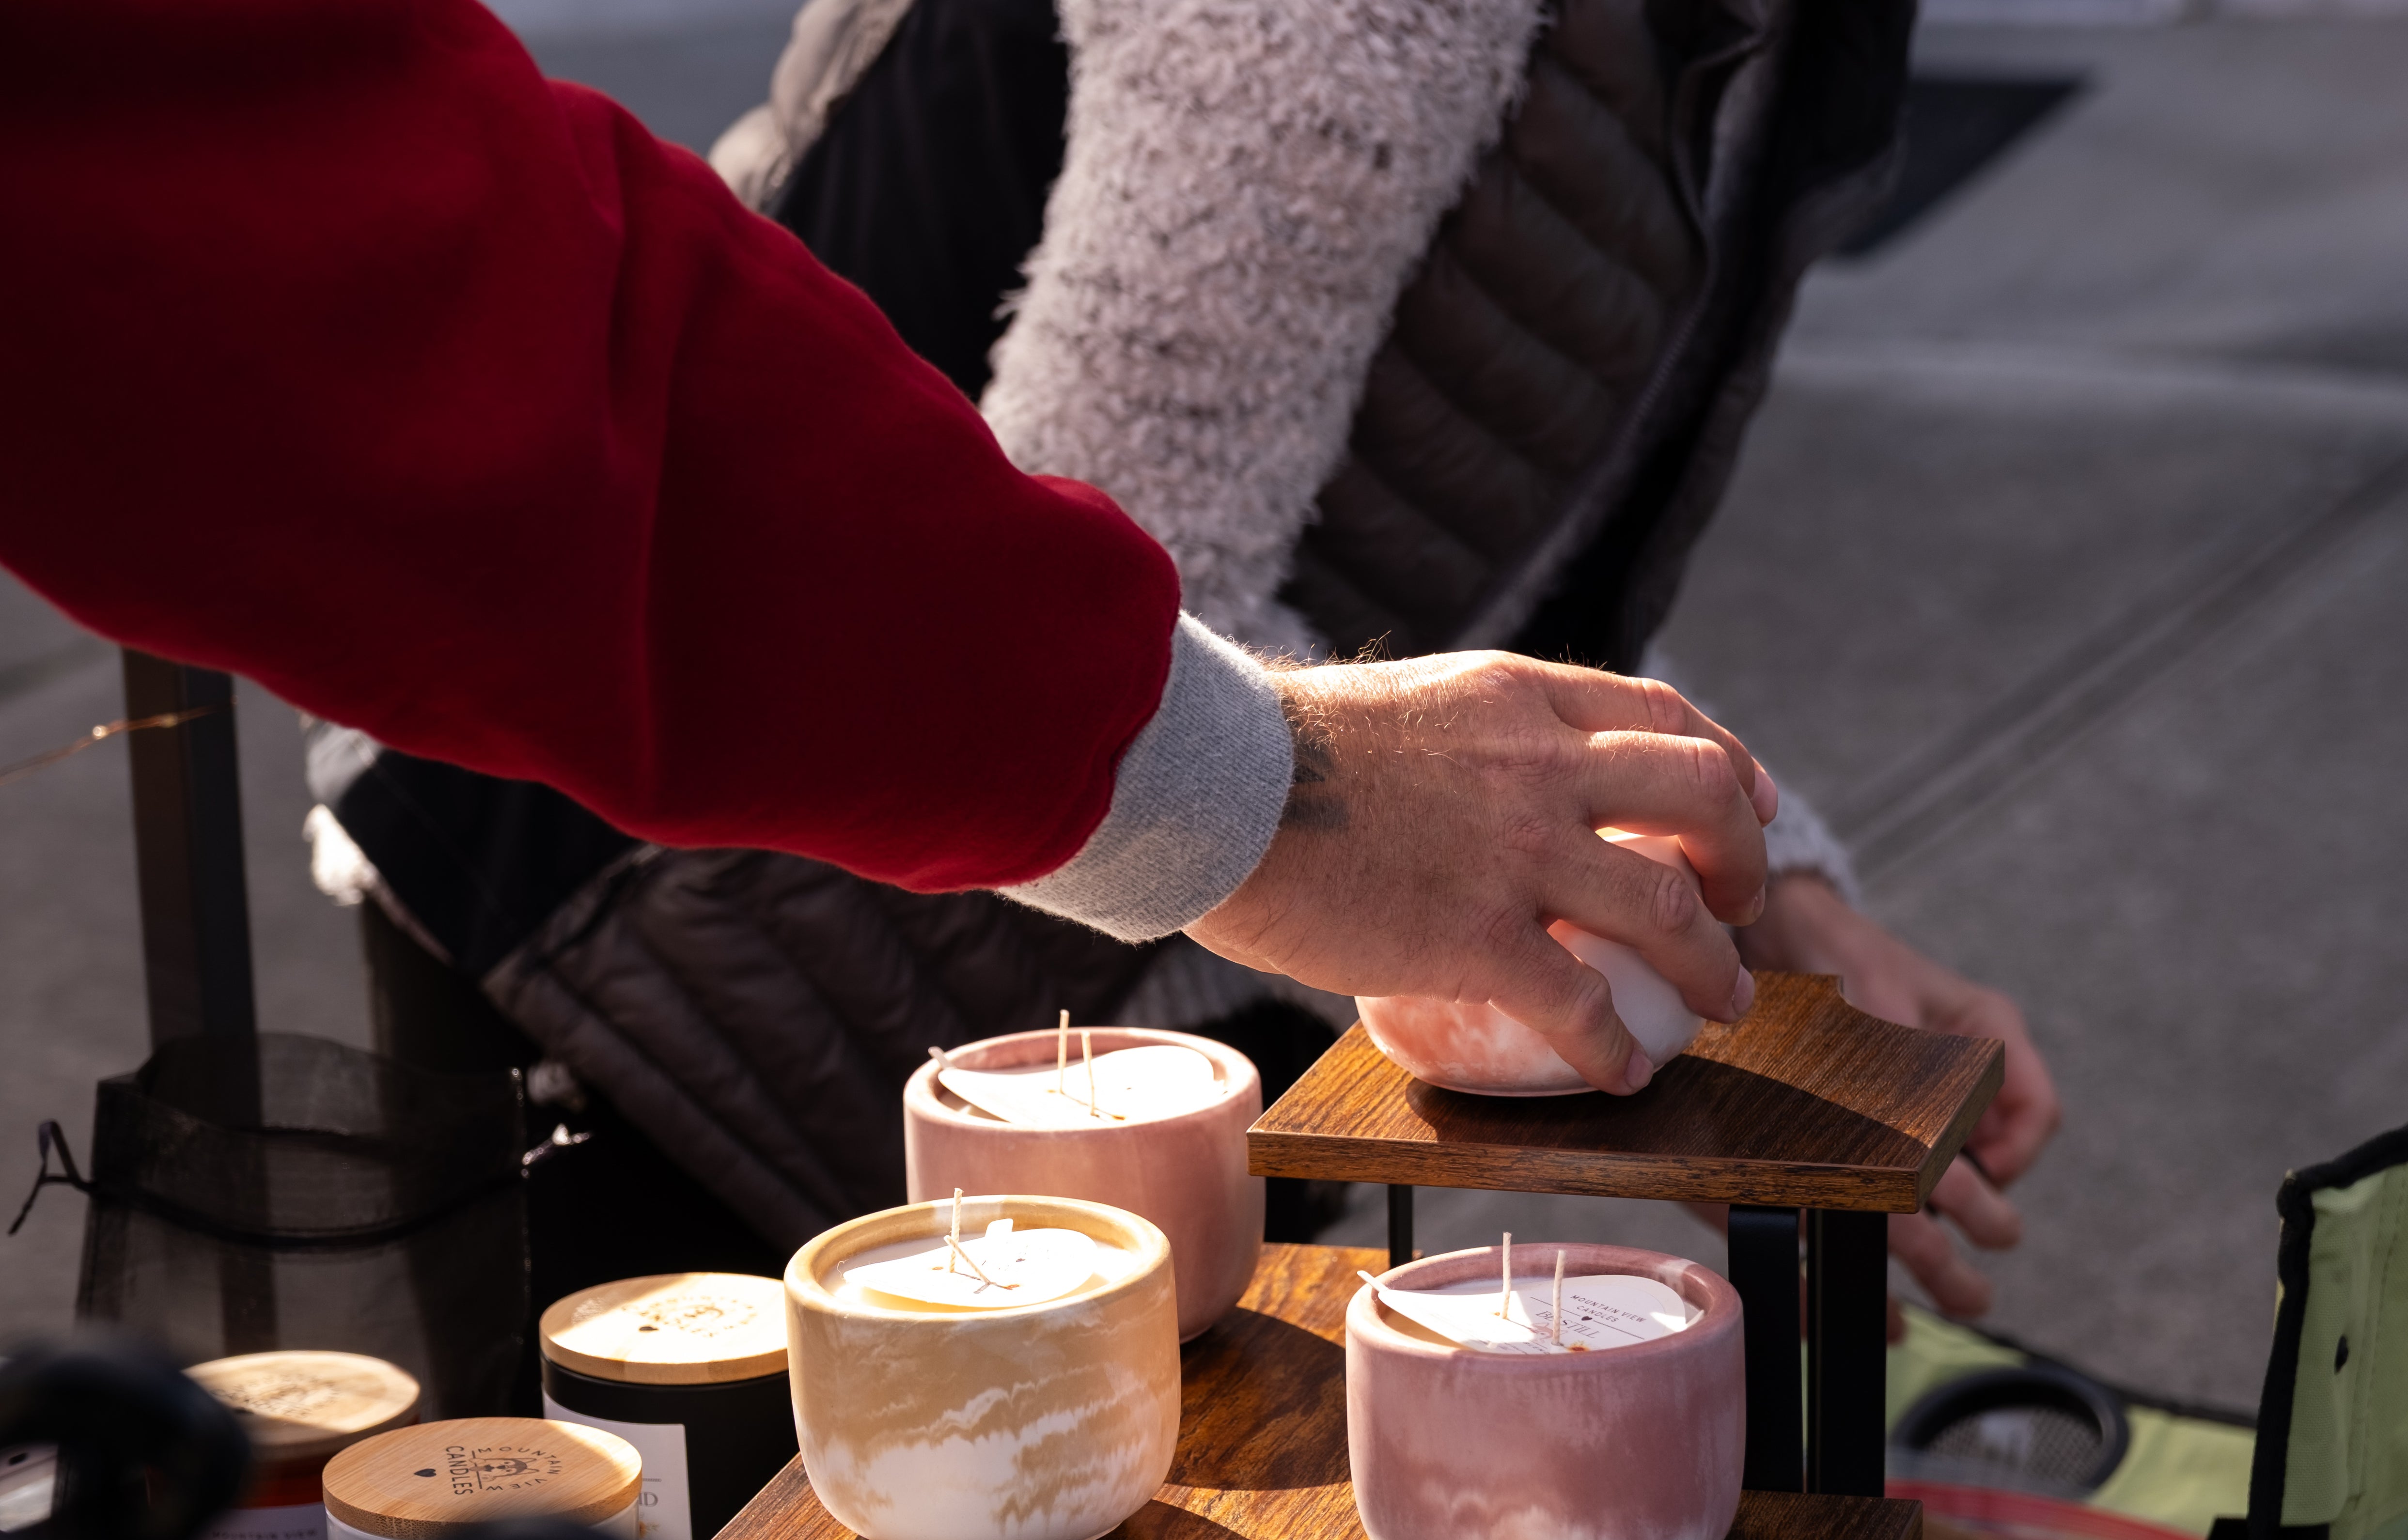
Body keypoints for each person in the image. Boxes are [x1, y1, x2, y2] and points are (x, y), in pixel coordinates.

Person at [0, 0, 1772, 1106]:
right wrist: (1293, 801)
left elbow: (1503, 496)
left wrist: (1717, 846)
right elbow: (343, 279)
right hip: (689, 954)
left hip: (975, 853)